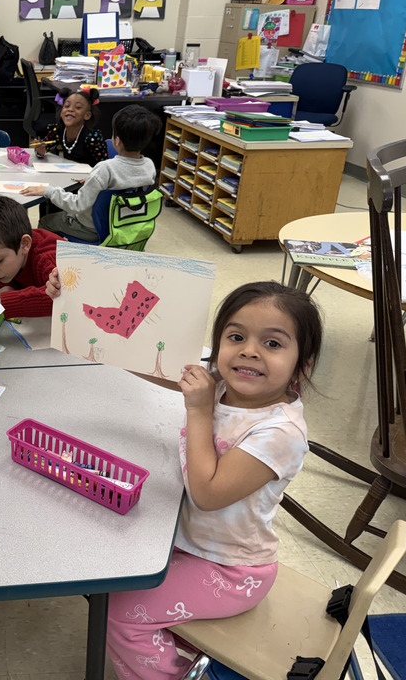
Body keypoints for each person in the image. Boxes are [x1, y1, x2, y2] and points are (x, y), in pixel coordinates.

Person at [99, 281, 324, 679]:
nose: (249, 350)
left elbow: (207, 494)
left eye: (272, 344)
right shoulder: (223, 384)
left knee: (117, 613)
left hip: (231, 570)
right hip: (186, 543)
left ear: (302, 365)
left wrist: (199, 411)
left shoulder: (281, 433)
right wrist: (78, 317)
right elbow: (155, 365)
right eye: (236, 337)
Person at [23, 103, 158, 242]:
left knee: (46, 221)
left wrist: (48, 190)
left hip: (92, 229)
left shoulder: (105, 169)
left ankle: (50, 253)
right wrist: (94, 181)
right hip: (124, 224)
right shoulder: (149, 165)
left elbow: (77, 205)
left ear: (117, 140)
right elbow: (127, 179)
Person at [0, 192, 63, 318]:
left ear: (25, 244)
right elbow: (11, 280)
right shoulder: (9, 248)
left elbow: (62, 296)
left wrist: (4, 302)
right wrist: (5, 288)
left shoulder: (47, 257)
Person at [32, 87, 107, 167]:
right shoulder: (58, 130)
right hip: (68, 172)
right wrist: (40, 151)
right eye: (67, 106)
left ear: (87, 115)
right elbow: (43, 148)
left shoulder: (92, 137)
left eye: (78, 107)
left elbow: (104, 166)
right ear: (61, 113)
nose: (70, 109)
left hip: (91, 173)